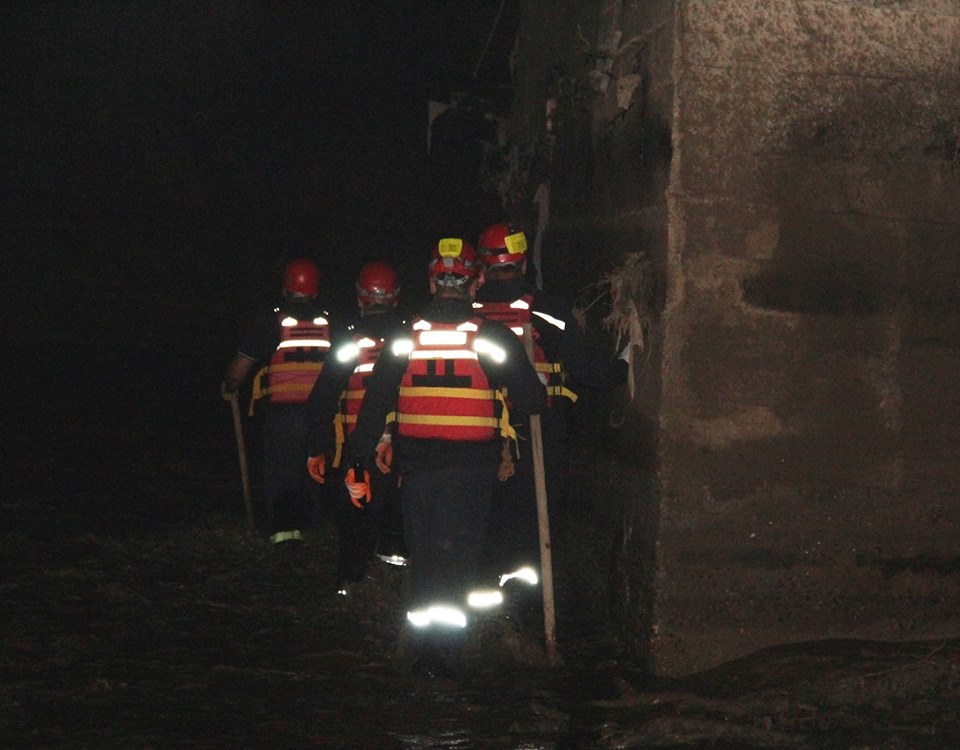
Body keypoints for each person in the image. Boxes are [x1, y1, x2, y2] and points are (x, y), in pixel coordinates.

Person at [345, 238, 545, 678]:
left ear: (432, 281)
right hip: (470, 470)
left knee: (425, 557)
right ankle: (445, 659)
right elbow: (532, 400)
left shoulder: (403, 335)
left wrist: (357, 459)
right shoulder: (490, 335)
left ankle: (420, 652)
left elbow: (375, 403)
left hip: (416, 471)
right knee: (455, 558)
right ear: (473, 281)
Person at [472, 222, 627, 599]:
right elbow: (588, 367)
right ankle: (524, 602)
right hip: (537, 426)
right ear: (523, 264)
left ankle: (484, 594)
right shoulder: (545, 310)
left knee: (486, 512)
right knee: (533, 518)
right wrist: (622, 367)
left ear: (481, 267)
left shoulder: (467, 313)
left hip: (477, 431)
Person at [305, 261, 406, 595]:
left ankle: (350, 580)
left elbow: (323, 396)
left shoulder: (350, 342)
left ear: (360, 297)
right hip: (405, 441)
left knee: (356, 511)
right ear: (395, 297)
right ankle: (394, 569)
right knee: (398, 506)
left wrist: (317, 447)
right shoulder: (411, 337)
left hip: (358, 443)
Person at [221, 258, 332, 551]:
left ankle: (285, 533)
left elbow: (239, 369)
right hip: (321, 414)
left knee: (282, 471)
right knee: (314, 470)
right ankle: (313, 526)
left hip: (283, 413)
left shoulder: (270, 322)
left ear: (285, 288)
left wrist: (230, 385)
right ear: (315, 290)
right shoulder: (328, 323)